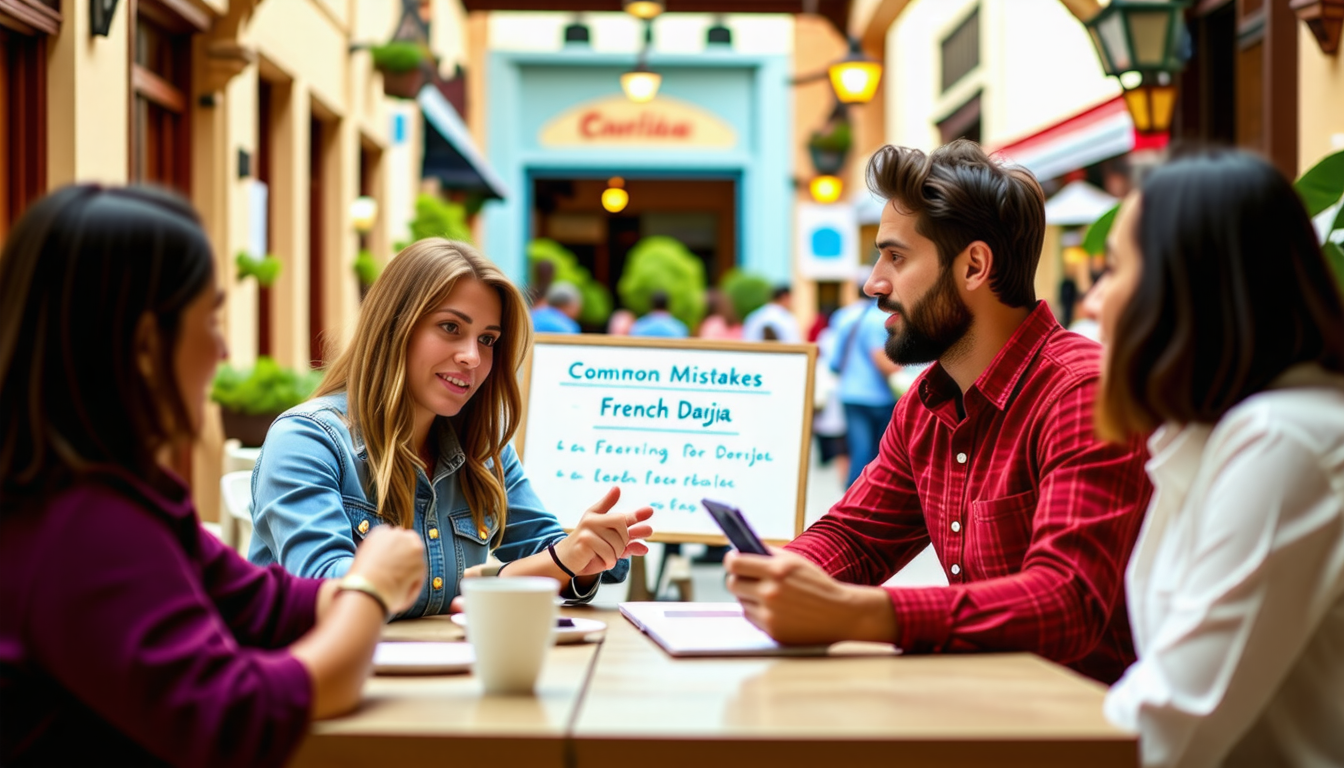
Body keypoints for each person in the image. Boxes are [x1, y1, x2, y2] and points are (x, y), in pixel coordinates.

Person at [0, 185, 426, 767]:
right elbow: (238, 720)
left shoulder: (117, 493)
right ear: (149, 344)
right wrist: (371, 589)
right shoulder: (82, 525)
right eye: (211, 318)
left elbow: (260, 603)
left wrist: (350, 593)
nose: (223, 349)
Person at [724, 140, 1152, 684]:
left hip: (1093, 733)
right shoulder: (927, 403)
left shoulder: (1081, 393)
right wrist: (782, 578)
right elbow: (855, 536)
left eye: (896, 257)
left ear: (974, 266)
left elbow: (1064, 601)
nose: (872, 283)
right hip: (989, 709)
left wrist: (860, 614)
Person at [1095, 149, 1344, 768]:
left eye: (1114, 269)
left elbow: (1171, 719)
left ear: (1181, 286)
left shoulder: (1284, 441)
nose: (1096, 301)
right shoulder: (1217, 439)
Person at [248, 239, 653, 617]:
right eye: (450, 328)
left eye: (488, 339)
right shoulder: (307, 440)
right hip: (326, 685)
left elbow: (551, 550)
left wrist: (587, 552)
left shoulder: (482, 448)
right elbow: (331, 590)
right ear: (395, 327)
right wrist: (505, 581)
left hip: (449, 676)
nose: (472, 357)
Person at [827, 274, 900, 486]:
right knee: (878, 456)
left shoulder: (843, 317)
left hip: (850, 393)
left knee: (858, 451)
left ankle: (850, 502)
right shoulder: (880, 318)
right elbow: (884, 363)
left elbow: (834, 361)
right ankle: (860, 504)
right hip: (878, 396)